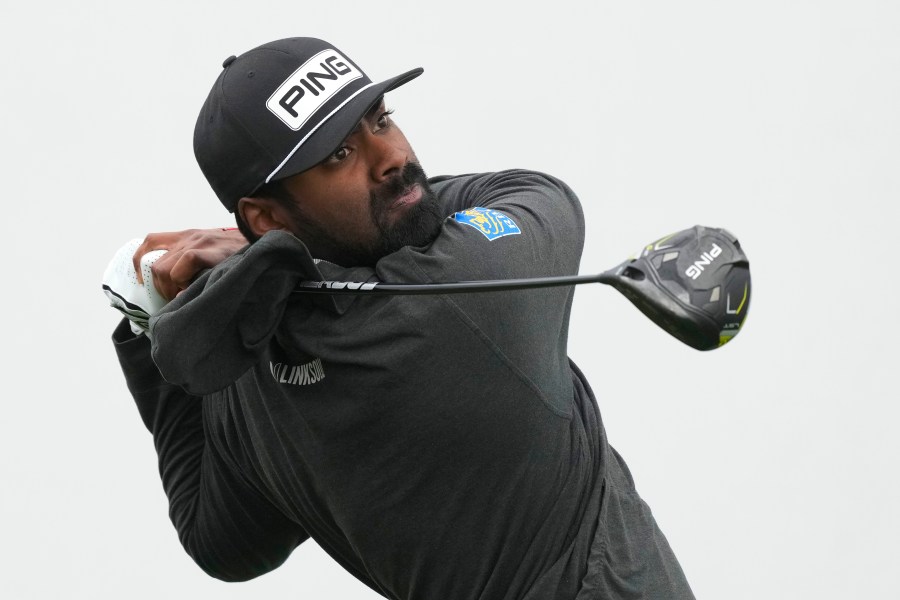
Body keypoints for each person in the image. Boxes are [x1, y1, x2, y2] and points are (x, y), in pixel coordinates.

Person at [108, 37, 696, 600]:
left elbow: (223, 544)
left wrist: (150, 321)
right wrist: (267, 258)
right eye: (339, 154)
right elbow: (536, 195)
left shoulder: (254, 382)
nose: (391, 158)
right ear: (263, 217)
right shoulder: (455, 292)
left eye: (381, 120)